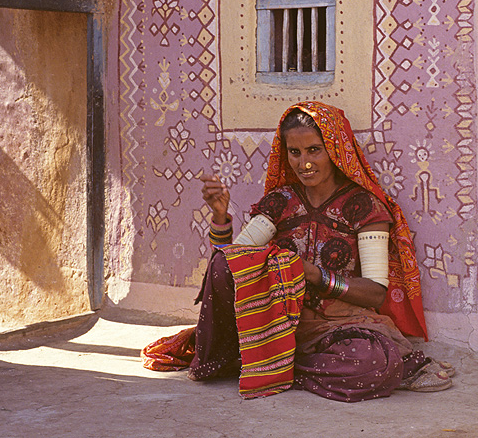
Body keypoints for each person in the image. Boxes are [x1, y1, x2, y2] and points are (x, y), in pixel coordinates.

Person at [173, 101, 453, 402]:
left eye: (314, 150)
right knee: (221, 265)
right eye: (295, 152)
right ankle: (271, 361)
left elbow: (375, 293)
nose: (304, 163)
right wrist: (220, 218)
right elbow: (230, 266)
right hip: (275, 320)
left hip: (338, 324)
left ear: (334, 150)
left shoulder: (364, 207)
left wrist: (316, 275)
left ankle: (271, 366)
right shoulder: (279, 202)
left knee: (373, 361)